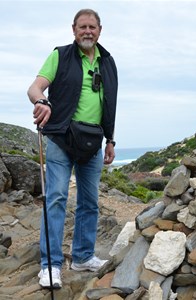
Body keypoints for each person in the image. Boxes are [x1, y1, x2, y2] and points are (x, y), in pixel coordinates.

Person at [27, 8, 118, 289]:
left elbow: (109, 104)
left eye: (92, 27)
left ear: (99, 30)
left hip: (93, 142)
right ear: (74, 29)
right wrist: (41, 102)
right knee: (55, 199)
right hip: (60, 138)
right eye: (82, 27)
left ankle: (82, 257)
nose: (87, 31)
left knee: (90, 202)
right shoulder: (60, 55)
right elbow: (35, 87)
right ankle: (51, 265)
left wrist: (111, 140)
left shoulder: (108, 63)